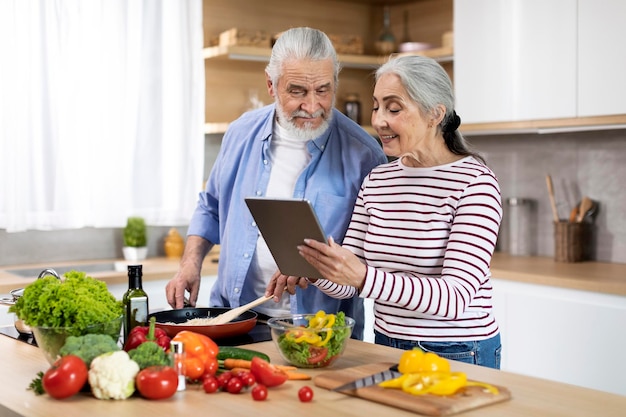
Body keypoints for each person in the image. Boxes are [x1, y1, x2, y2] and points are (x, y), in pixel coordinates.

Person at [267, 55, 503, 368]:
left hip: (456, 349)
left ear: (435, 114)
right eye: (377, 106)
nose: (378, 120)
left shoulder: (475, 183)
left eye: (394, 109)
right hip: (387, 345)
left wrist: (365, 277)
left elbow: (455, 298)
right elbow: (351, 277)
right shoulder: (379, 180)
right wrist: (318, 268)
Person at [165, 27, 387, 340]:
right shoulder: (241, 132)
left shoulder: (365, 155)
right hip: (234, 322)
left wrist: (317, 269)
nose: (312, 107)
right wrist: (190, 263)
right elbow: (211, 206)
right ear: (271, 84)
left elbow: (373, 256)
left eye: (323, 90)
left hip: (317, 336)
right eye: (297, 91)